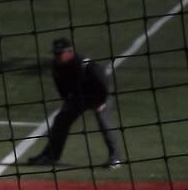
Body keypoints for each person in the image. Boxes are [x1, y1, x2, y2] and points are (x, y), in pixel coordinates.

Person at [27, 37, 121, 168]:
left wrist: (101, 102)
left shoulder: (85, 64)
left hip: (97, 95)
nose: (57, 56)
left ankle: (115, 158)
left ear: (70, 52)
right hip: (77, 97)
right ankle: (50, 156)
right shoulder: (56, 66)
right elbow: (61, 86)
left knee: (103, 123)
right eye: (55, 53)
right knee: (60, 121)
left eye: (60, 53)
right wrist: (67, 101)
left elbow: (103, 84)